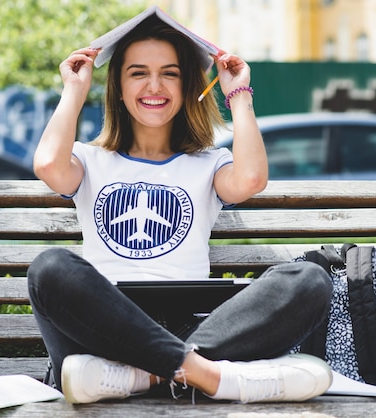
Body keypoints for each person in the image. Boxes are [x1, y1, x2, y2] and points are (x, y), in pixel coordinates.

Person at [27, 9, 334, 405]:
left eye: (169, 73)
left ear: (187, 86)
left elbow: (251, 180)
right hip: (99, 333)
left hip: (189, 333)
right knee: (50, 269)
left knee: (308, 279)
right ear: (118, 87)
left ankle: (144, 376)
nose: (154, 85)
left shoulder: (208, 164)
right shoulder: (89, 160)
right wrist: (74, 89)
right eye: (138, 73)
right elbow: (49, 165)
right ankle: (206, 376)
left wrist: (238, 93)